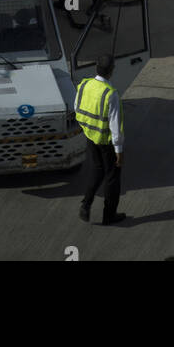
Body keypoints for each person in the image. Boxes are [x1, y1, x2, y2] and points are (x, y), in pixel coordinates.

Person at [75, 54, 126, 225]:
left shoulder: (84, 85)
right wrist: (119, 150)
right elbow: (115, 126)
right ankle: (109, 215)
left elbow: (77, 107)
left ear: (96, 67)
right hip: (105, 141)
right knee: (112, 176)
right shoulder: (110, 94)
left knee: (97, 170)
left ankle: (86, 204)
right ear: (111, 71)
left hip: (90, 136)